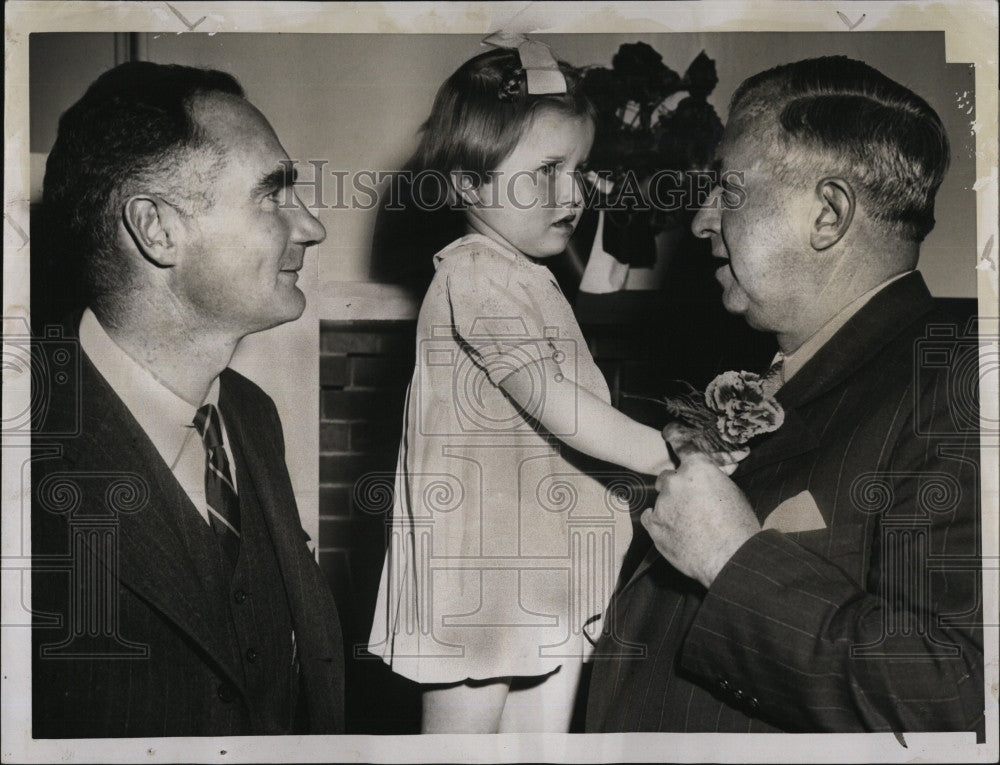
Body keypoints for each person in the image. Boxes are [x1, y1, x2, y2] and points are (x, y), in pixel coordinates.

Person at [585, 56, 984, 734]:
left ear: (827, 214)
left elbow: (958, 698)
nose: (703, 220)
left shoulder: (965, 378)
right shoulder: (768, 370)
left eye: (727, 190)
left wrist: (734, 562)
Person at [364, 40, 736, 733]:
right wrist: (666, 453)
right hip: (481, 566)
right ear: (470, 185)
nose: (576, 191)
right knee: (463, 736)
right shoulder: (474, 275)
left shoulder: (528, 272)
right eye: (547, 172)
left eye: (581, 169)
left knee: (542, 732)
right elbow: (559, 406)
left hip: (536, 555)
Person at [31, 61, 344, 737]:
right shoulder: (25, 451)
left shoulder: (252, 418)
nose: (313, 227)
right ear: (157, 228)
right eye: (273, 195)